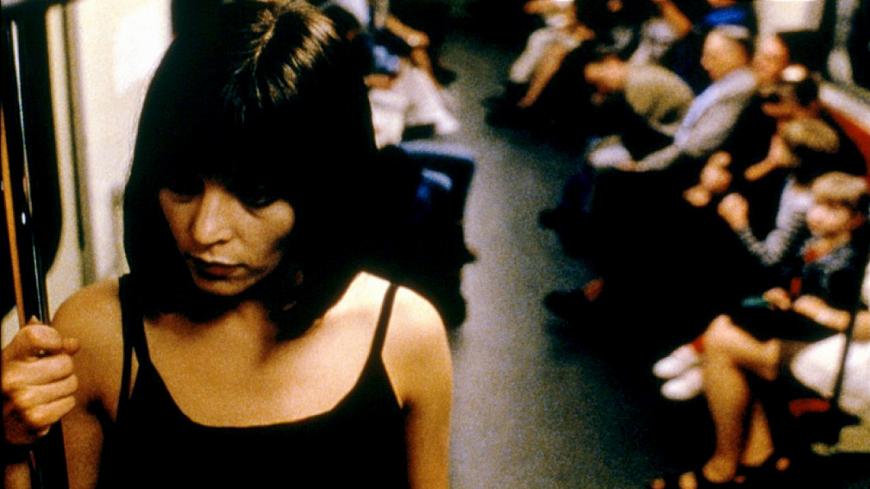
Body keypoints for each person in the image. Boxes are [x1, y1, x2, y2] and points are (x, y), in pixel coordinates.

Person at [2, 2, 452, 488]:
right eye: (182, 185)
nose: (204, 231)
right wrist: (9, 448)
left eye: (254, 195)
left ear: (322, 192)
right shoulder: (97, 335)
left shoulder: (406, 336)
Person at [650, 172, 868, 489]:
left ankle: (722, 466)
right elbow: (795, 280)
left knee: (726, 333)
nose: (818, 215)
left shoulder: (850, 262)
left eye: (832, 209)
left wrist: (821, 311)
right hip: (803, 319)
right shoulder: (814, 243)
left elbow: (846, 312)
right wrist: (784, 295)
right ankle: (758, 457)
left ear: (856, 219)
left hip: (823, 334)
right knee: (735, 314)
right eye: (817, 205)